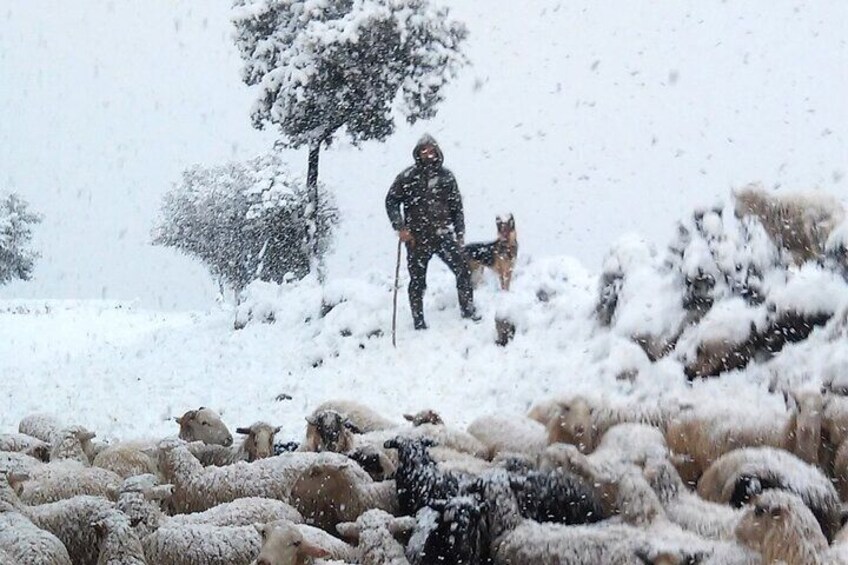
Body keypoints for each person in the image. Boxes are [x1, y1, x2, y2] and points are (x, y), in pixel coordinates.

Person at [386, 134, 480, 330]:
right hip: (417, 239)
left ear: (437, 151)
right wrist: (400, 227)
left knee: (463, 269)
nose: (428, 154)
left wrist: (460, 232)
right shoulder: (408, 177)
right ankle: (418, 322)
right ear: (418, 154)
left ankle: (468, 311)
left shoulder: (446, 177)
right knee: (418, 281)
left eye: (431, 150)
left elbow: (456, 207)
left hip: (443, 235)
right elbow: (391, 201)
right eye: (424, 150)